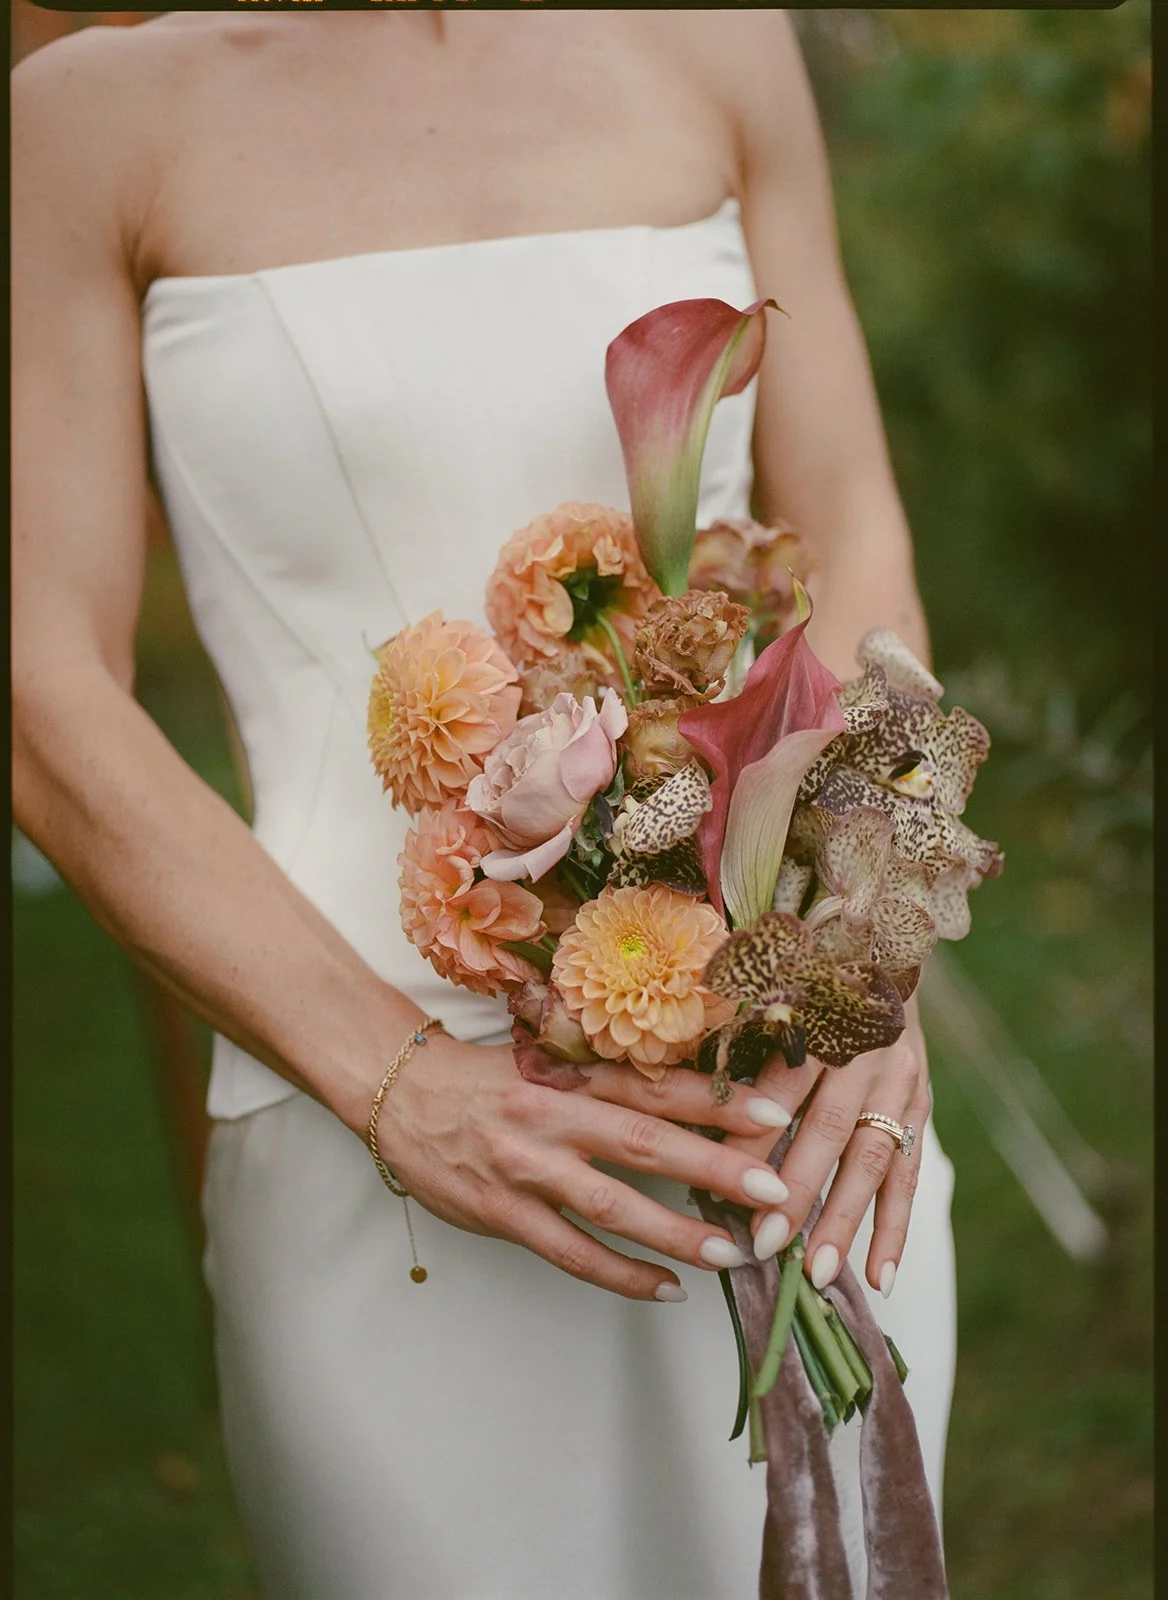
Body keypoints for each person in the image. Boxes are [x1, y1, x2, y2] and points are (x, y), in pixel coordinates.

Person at [12, 11, 955, 1596]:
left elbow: (852, 525)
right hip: (373, 1154)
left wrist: (870, 938)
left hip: (789, 1091)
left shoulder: (719, 42)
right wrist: (397, 1083)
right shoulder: (88, 123)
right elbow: (42, 687)